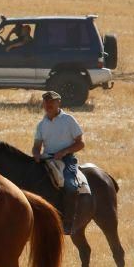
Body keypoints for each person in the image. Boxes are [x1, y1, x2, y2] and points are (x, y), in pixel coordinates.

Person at [32, 90, 85, 235]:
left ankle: (68, 224)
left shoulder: (68, 120)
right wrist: (36, 154)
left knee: (71, 186)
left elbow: (80, 143)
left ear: (58, 103)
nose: (48, 105)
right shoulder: (41, 124)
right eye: (46, 102)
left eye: (52, 102)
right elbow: (37, 146)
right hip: (47, 160)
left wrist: (64, 152)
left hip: (67, 159)